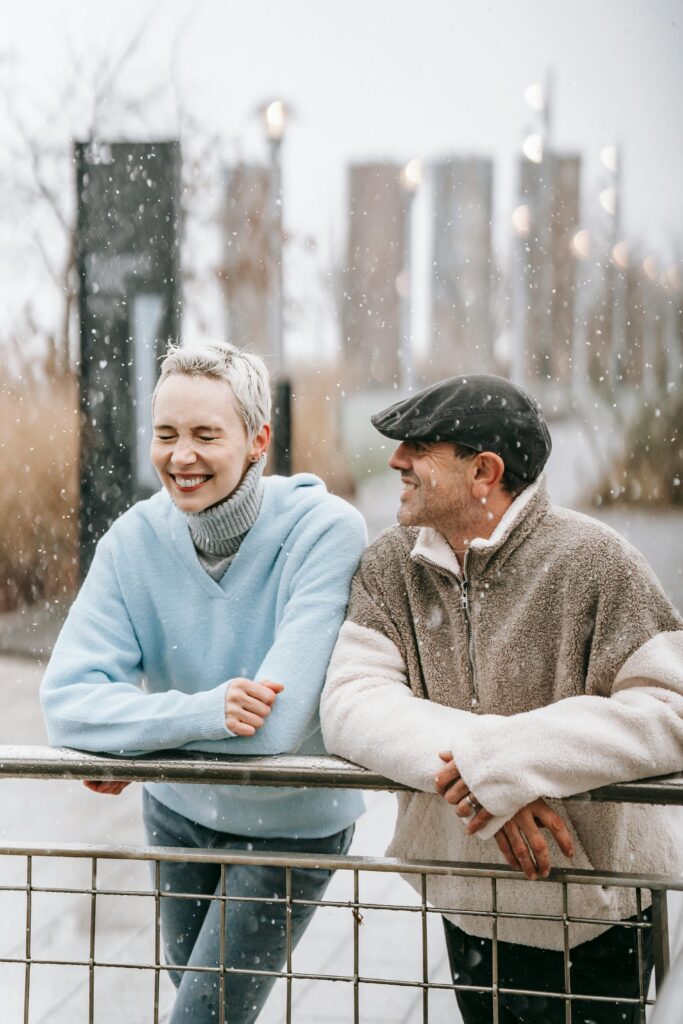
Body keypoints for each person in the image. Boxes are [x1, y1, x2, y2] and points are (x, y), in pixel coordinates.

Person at [321, 373, 683, 1024]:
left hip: (596, 918)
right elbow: (350, 703)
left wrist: (510, 761)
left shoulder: (596, 562)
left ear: (483, 471)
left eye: (417, 448)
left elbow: (669, 709)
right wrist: (485, 775)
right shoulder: (388, 566)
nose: (395, 461)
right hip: (469, 904)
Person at [41, 341, 367, 1024]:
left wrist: (133, 737)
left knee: (201, 1018)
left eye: (204, 435)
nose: (179, 455)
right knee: (205, 1010)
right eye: (165, 434)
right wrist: (200, 714)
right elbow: (67, 706)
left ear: (257, 440)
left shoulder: (324, 532)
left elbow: (273, 730)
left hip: (289, 825)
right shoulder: (133, 541)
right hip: (177, 813)